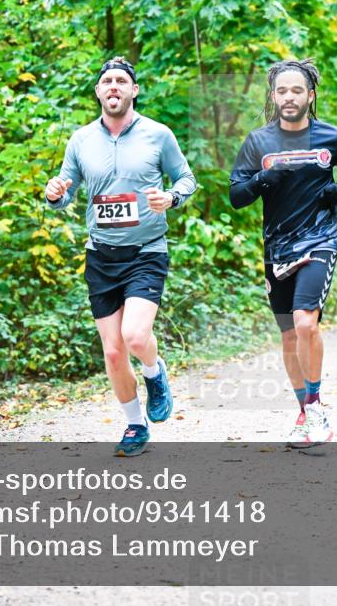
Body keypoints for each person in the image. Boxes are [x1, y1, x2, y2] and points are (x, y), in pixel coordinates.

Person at [44, 56, 197, 456]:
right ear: (98, 92)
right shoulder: (80, 140)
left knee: (134, 336)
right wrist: (55, 194)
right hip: (101, 255)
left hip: (147, 250)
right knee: (112, 351)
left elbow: (186, 178)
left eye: (121, 81)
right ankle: (134, 424)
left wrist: (172, 197)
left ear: (134, 90)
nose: (114, 86)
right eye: (107, 81)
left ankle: (154, 371)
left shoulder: (158, 134)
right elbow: (67, 190)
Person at [229, 58, 337, 448]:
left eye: (297, 90)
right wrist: (260, 179)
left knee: (306, 322)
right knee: (289, 336)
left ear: (311, 94)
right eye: (282, 90)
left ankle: (318, 405)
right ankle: (304, 412)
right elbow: (237, 196)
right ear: (273, 96)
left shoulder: (332, 137)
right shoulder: (258, 142)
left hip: (320, 238)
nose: (289, 97)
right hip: (278, 247)